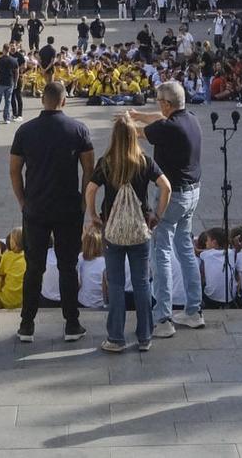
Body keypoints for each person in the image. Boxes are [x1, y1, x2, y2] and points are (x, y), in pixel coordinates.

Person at [9, 79, 96, 343]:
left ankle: (27, 325)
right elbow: (89, 170)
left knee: (33, 267)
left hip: (36, 207)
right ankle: (71, 324)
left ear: (42, 100)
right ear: (64, 101)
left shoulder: (25, 130)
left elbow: (15, 170)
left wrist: (23, 201)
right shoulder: (78, 129)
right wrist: (84, 203)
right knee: (68, 266)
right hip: (68, 207)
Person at [126, 81, 205, 335]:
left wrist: (127, 121)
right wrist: (139, 114)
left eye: (159, 101)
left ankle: (163, 318)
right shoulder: (191, 118)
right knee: (185, 249)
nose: (158, 106)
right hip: (193, 193)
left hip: (172, 196)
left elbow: (137, 133)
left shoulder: (167, 128)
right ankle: (194, 310)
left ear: (166, 103)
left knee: (160, 252)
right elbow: (158, 118)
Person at [86, 115, 170, 352]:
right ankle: (144, 336)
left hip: (112, 230)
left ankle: (115, 338)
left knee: (116, 283)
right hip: (139, 228)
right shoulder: (144, 161)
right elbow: (166, 186)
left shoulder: (107, 162)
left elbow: (91, 189)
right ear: (135, 137)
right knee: (142, 282)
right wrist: (157, 215)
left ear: (114, 137)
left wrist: (93, 216)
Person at [0, 46, 18, 123]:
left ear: (3, 50)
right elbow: (16, 72)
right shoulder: (13, 60)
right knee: (8, 101)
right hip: (9, 82)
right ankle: (6, 118)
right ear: (9, 50)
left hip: (0, 83)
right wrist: (15, 82)